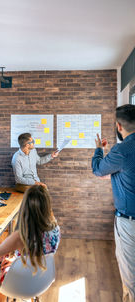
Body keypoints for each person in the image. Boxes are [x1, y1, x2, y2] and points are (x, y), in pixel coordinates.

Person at [91, 104, 135, 302]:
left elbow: (98, 170)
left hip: (129, 222)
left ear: (118, 126)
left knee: (130, 272)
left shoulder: (122, 150)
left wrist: (99, 150)